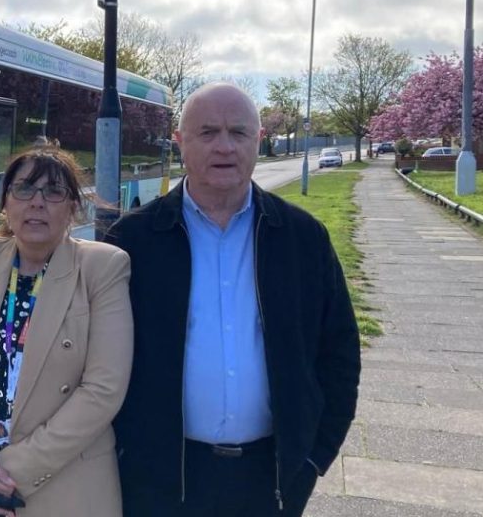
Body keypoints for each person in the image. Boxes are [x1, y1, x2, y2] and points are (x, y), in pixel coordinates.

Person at [106, 83, 361, 517]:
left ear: (258, 142)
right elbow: (101, 359)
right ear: (179, 141)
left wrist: (314, 458)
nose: (224, 146)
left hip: (272, 481)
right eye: (207, 132)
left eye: (238, 133)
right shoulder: (133, 240)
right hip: (160, 482)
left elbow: (339, 354)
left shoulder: (302, 238)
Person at [0, 145, 133, 517]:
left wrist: (8, 473)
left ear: (73, 207)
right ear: (6, 202)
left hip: (65, 486)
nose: (37, 202)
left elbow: (104, 388)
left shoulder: (102, 268)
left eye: (53, 191)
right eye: (23, 189)